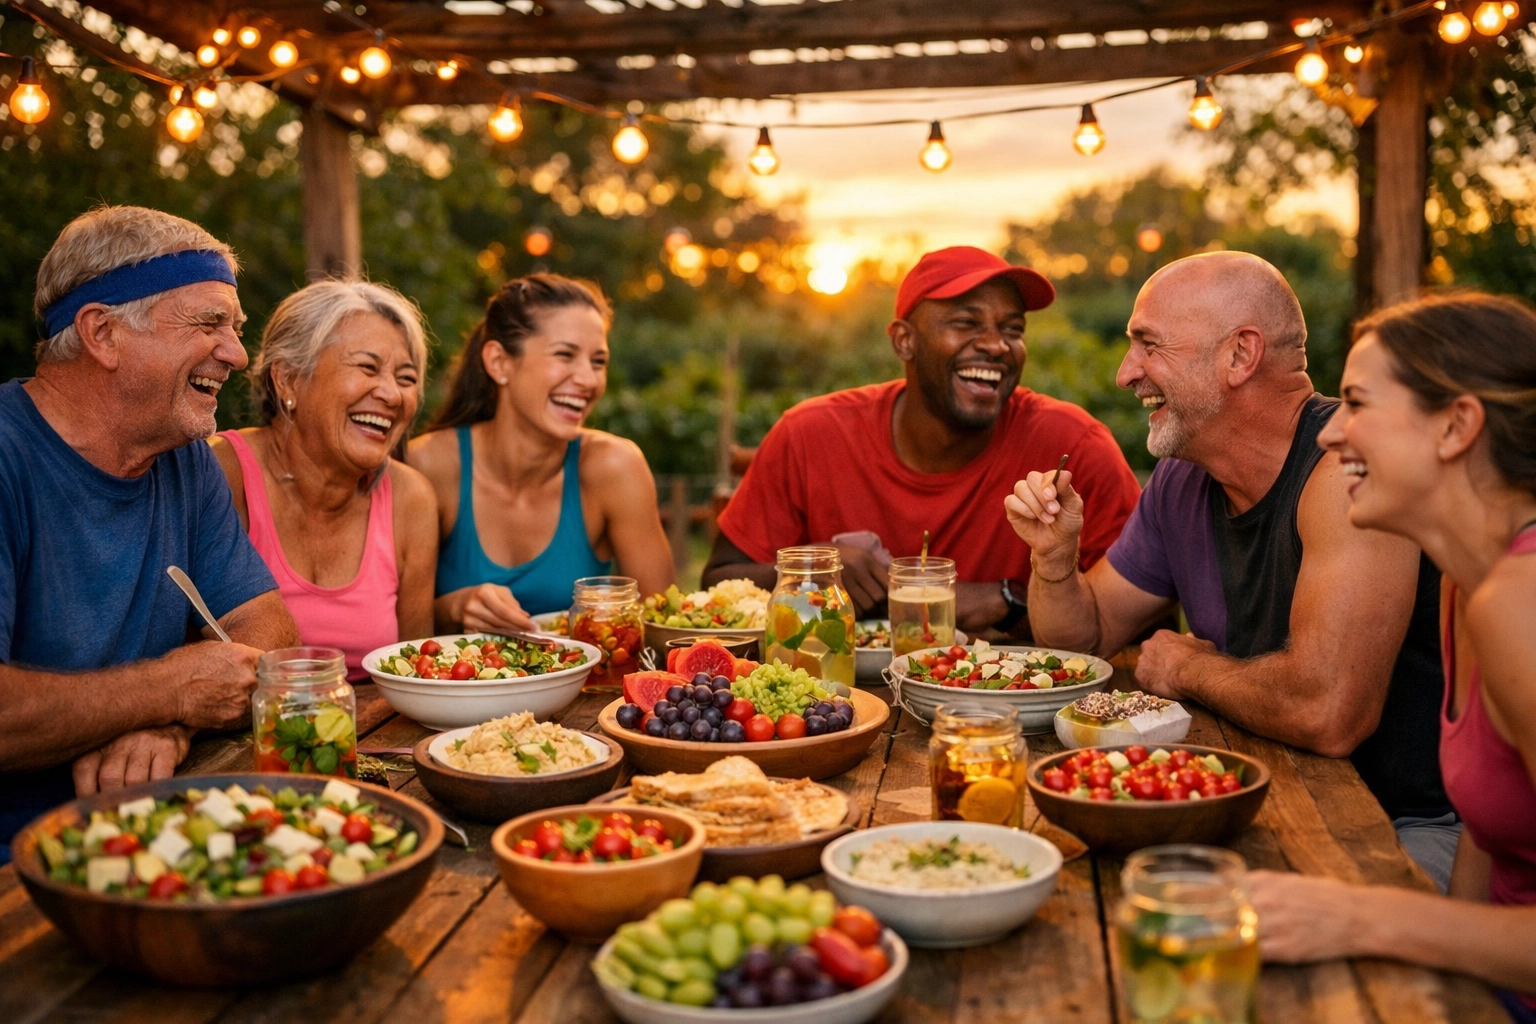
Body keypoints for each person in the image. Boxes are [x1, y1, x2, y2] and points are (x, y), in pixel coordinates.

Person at [1006, 250, 1453, 885]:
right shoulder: (1181, 480)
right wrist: (1054, 562)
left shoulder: (1349, 470)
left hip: (1409, 826)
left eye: (1148, 345)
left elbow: (1330, 713)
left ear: (1240, 356)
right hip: (1267, 805)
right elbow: (1084, 639)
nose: (1124, 372)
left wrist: (1189, 667)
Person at [1243, 292, 1536, 1020]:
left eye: (1357, 404)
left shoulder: (1520, 604)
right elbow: (1487, 838)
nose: (1329, 433)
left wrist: (1358, 916)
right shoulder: (1465, 586)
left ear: (1456, 425)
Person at [0, 206, 297, 862]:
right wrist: (163, 689)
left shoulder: (184, 456)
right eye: (210, 323)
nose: (239, 354)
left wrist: (168, 718)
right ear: (103, 333)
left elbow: (267, 626)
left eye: (237, 328)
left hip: (157, 840)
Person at [703, 246, 1141, 637]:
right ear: (904, 341)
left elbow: (1145, 614)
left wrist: (1011, 599)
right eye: (966, 322)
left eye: (1012, 329)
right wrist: (816, 570)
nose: (996, 346)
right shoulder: (809, 433)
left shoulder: (1075, 446)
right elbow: (717, 581)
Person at [409, 274, 673, 632]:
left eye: (598, 362)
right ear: (499, 362)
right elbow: (393, 630)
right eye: (565, 355)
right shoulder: (428, 465)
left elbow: (663, 624)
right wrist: (455, 608)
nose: (589, 380)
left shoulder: (614, 467)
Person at [209, 281, 438, 680]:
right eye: (367, 367)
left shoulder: (410, 498)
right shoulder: (221, 473)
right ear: (289, 379)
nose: (392, 394)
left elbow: (419, 675)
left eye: (406, 378)